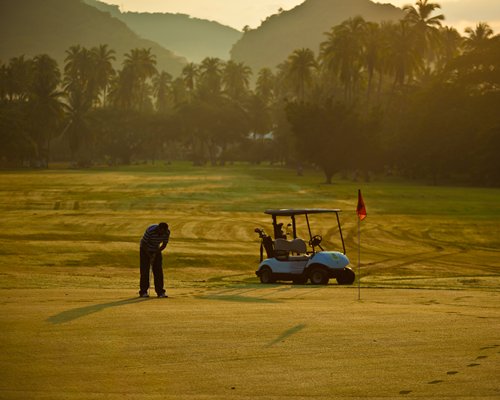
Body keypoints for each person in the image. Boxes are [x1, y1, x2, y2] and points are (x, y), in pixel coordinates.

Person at [139, 222, 170, 298]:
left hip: (156, 249)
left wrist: (156, 253)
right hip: (144, 249)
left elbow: (164, 244)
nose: (162, 233)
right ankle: (143, 292)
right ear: (158, 228)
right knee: (145, 271)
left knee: (158, 271)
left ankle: (160, 292)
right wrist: (150, 256)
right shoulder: (150, 230)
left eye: (164, 232)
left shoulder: (167, 232)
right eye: (161, 231)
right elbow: (144, 244)